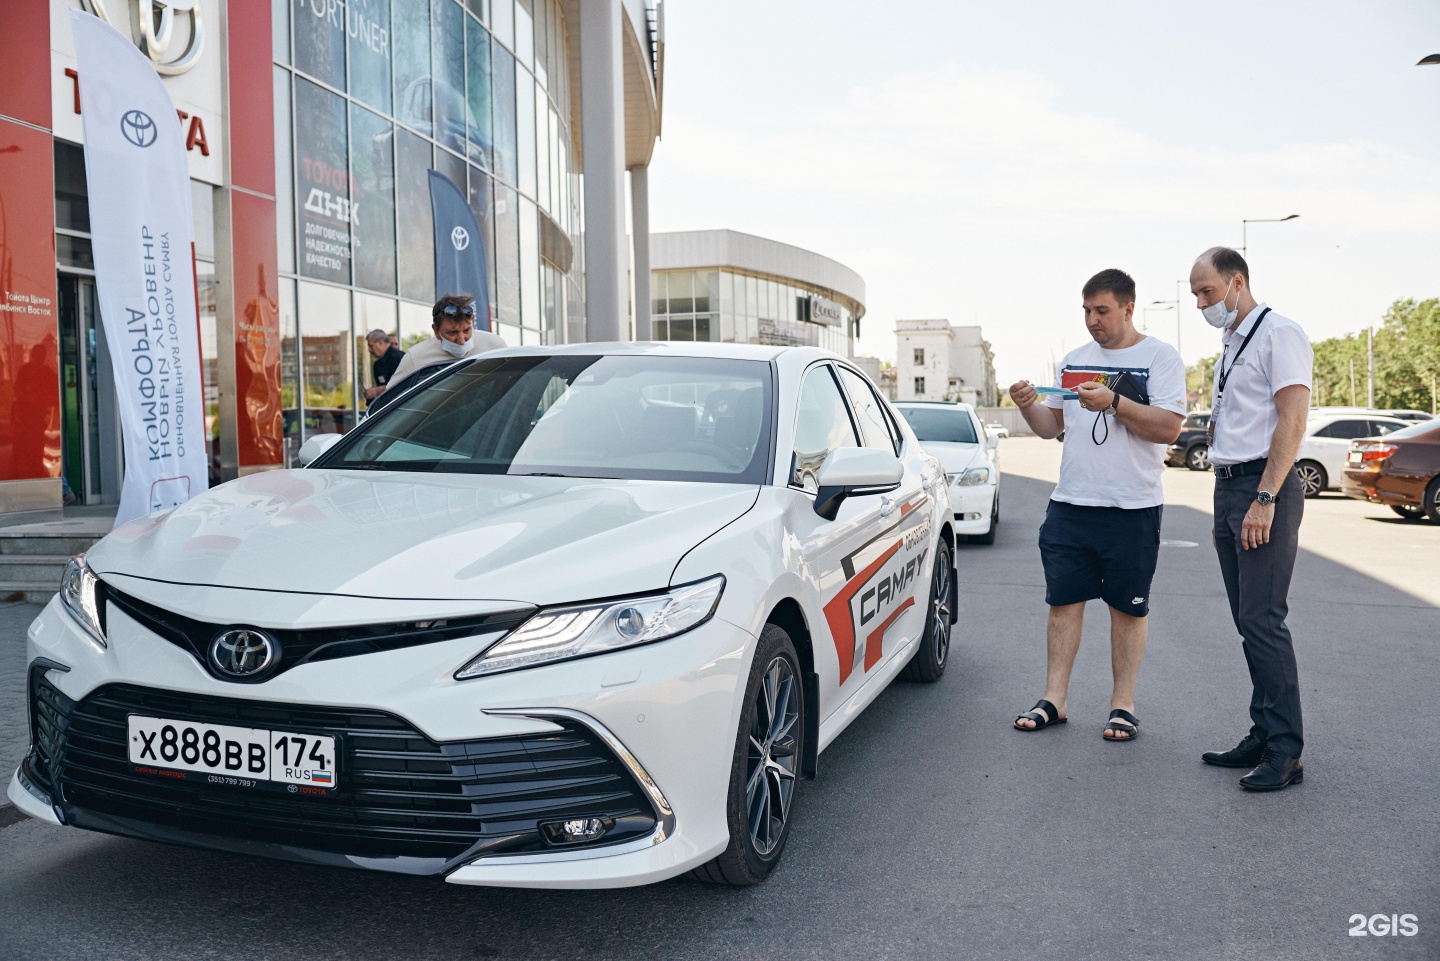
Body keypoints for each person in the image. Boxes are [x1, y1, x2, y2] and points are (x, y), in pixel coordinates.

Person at [1008, 269, 1186, 742]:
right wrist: (1028, 405)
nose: (1092, 320)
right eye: (1086, 311)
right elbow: (1051, 428)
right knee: (1062, 604)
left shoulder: (1161, 358)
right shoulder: (1074, 359)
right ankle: (1055, 699)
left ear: (1128, 308)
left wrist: (1113, 403)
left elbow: (1168, 429)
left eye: (1101, 311)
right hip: (1071, 503)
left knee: (1128, 610)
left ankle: (1122, 706)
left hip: (1132, 506)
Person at [1191, 247, 1312, 792]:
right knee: (1248, 621)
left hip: (1263, 488)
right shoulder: (1231, 342)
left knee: (1263, 619)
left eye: (1207, 292)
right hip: (1229, 485)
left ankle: (1286, 751)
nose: (1201, 304)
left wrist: (1264, 498)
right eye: (1196, 295)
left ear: (1237, 282)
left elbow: (1292, 419)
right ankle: (1264, 731)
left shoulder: (1278, 333)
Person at [387, 293, 506, 391]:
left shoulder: (495, 346)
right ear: (436, 330)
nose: (461, 340)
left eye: (466, 330)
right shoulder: (415, 357)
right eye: (452, 333)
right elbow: (390, 398)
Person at [362, 329, 405, 405]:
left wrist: (376, 391)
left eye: (371, 346)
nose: (369, 350)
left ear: (380, 343)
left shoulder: (398, 358)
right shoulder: (377, 365)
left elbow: (402, 385)